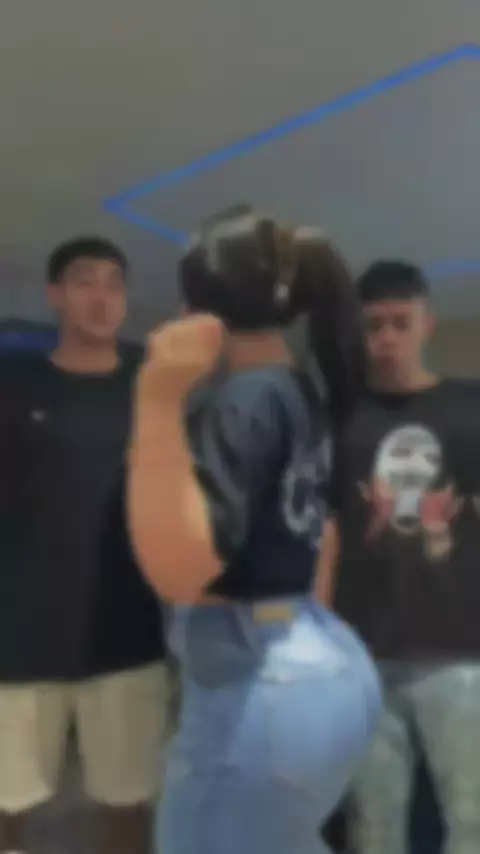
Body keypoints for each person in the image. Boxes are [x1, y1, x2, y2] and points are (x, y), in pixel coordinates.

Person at [127, 205, 381, 854]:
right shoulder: (299, 389)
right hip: (318, 653)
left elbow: (179, 570)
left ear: (196, 310)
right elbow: (321, 533)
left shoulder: (244, 399)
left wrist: (157, 397)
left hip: (254, 678)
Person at [0, 237, 167, 854]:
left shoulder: (152, 388)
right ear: (55, 294)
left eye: (114, 284)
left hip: (126, 635)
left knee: (127, 805)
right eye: (84, 282)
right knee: (8, 805)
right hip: (19, 638)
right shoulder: (13, 384)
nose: (101, 298)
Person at [323, 260, 480, 854]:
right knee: (374, 823)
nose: (386, 338)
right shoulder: (339, 420)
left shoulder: (470, 407)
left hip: (459, 652)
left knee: (471, 817)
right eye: (374, 325)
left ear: (426, 324)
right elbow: (325, 530)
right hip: (363, 655)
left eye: (400, 322)